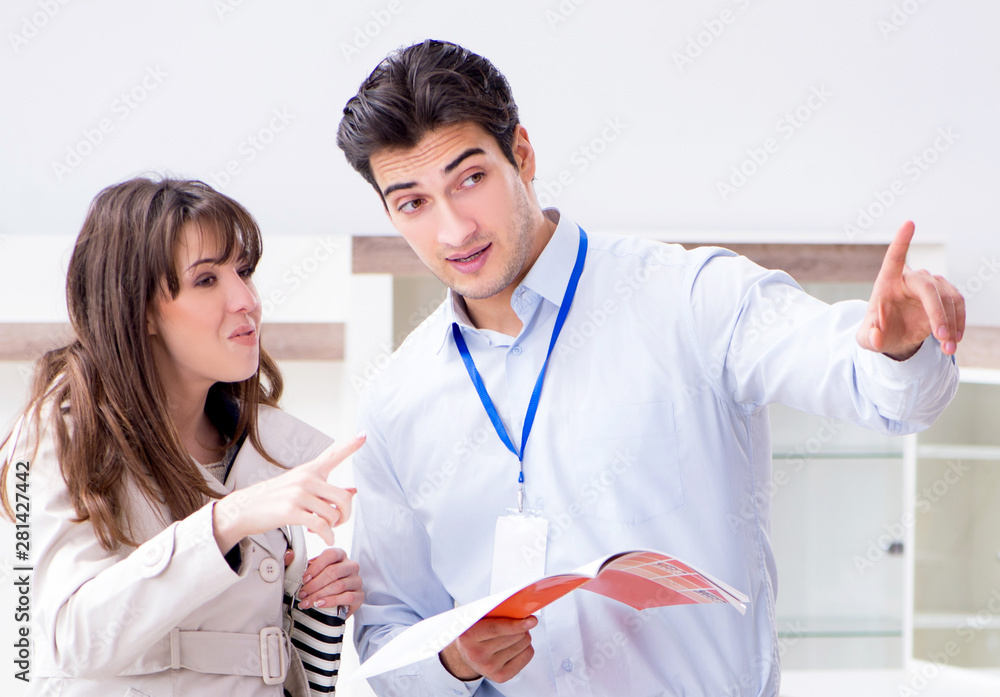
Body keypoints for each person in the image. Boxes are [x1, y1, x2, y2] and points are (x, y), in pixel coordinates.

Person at [335, 40, 964, 697]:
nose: (455, 228)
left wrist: (898, 346)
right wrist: (456, 660)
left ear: (520, 154)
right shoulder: (394, 401)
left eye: (470, 179)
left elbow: (882, 391)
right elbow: (387, 639)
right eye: (413, 203)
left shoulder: (686, 297)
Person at [0, 178, 365, 696]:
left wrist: (309, 606)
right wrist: (228, 518)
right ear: (140, 307)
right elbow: (67, 641)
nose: (246, 300)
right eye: (207, 280)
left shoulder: (269, 448)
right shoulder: (54, 440)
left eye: (242, 272)